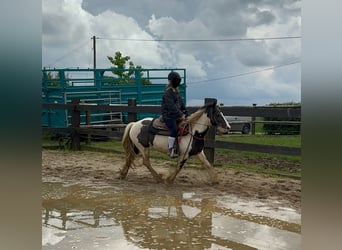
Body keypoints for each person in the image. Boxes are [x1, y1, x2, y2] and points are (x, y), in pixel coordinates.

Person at [161, 71, 188, 158]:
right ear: (171, 81)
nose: (177, 82)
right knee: (174, 129)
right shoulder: (168, 93)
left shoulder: (177, 92)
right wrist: (180, 114)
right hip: (168, 115)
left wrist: (186, 112)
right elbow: (171, 107)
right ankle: (170, 149)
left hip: (176, 115)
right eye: (176, 81)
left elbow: (181, 104)